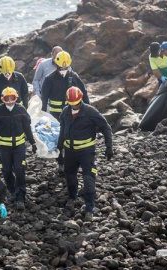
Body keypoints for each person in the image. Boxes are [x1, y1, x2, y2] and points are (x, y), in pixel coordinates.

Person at [57, 87, 113, 221]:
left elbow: (105, 127)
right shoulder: (65, 112)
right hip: (70, 151)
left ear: (81, 99)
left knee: (88, 179)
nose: (74, 105)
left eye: (76, 103)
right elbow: (62, 131)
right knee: (69, 176)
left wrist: (109, 146)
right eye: (71, 103)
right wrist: (59, 150)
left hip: (86, 152)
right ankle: (72, 197)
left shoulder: (90, 112)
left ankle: (89, 208)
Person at [41, 51, 90, 120]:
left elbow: (83, 92)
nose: (64, 69)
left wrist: (88, 111)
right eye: (61, 67)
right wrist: (43, 114)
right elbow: (44, 97)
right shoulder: (50, 79)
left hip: (71, 113)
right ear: (56, 64)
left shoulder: (73, 76)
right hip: (55, 115)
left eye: (66, 67)